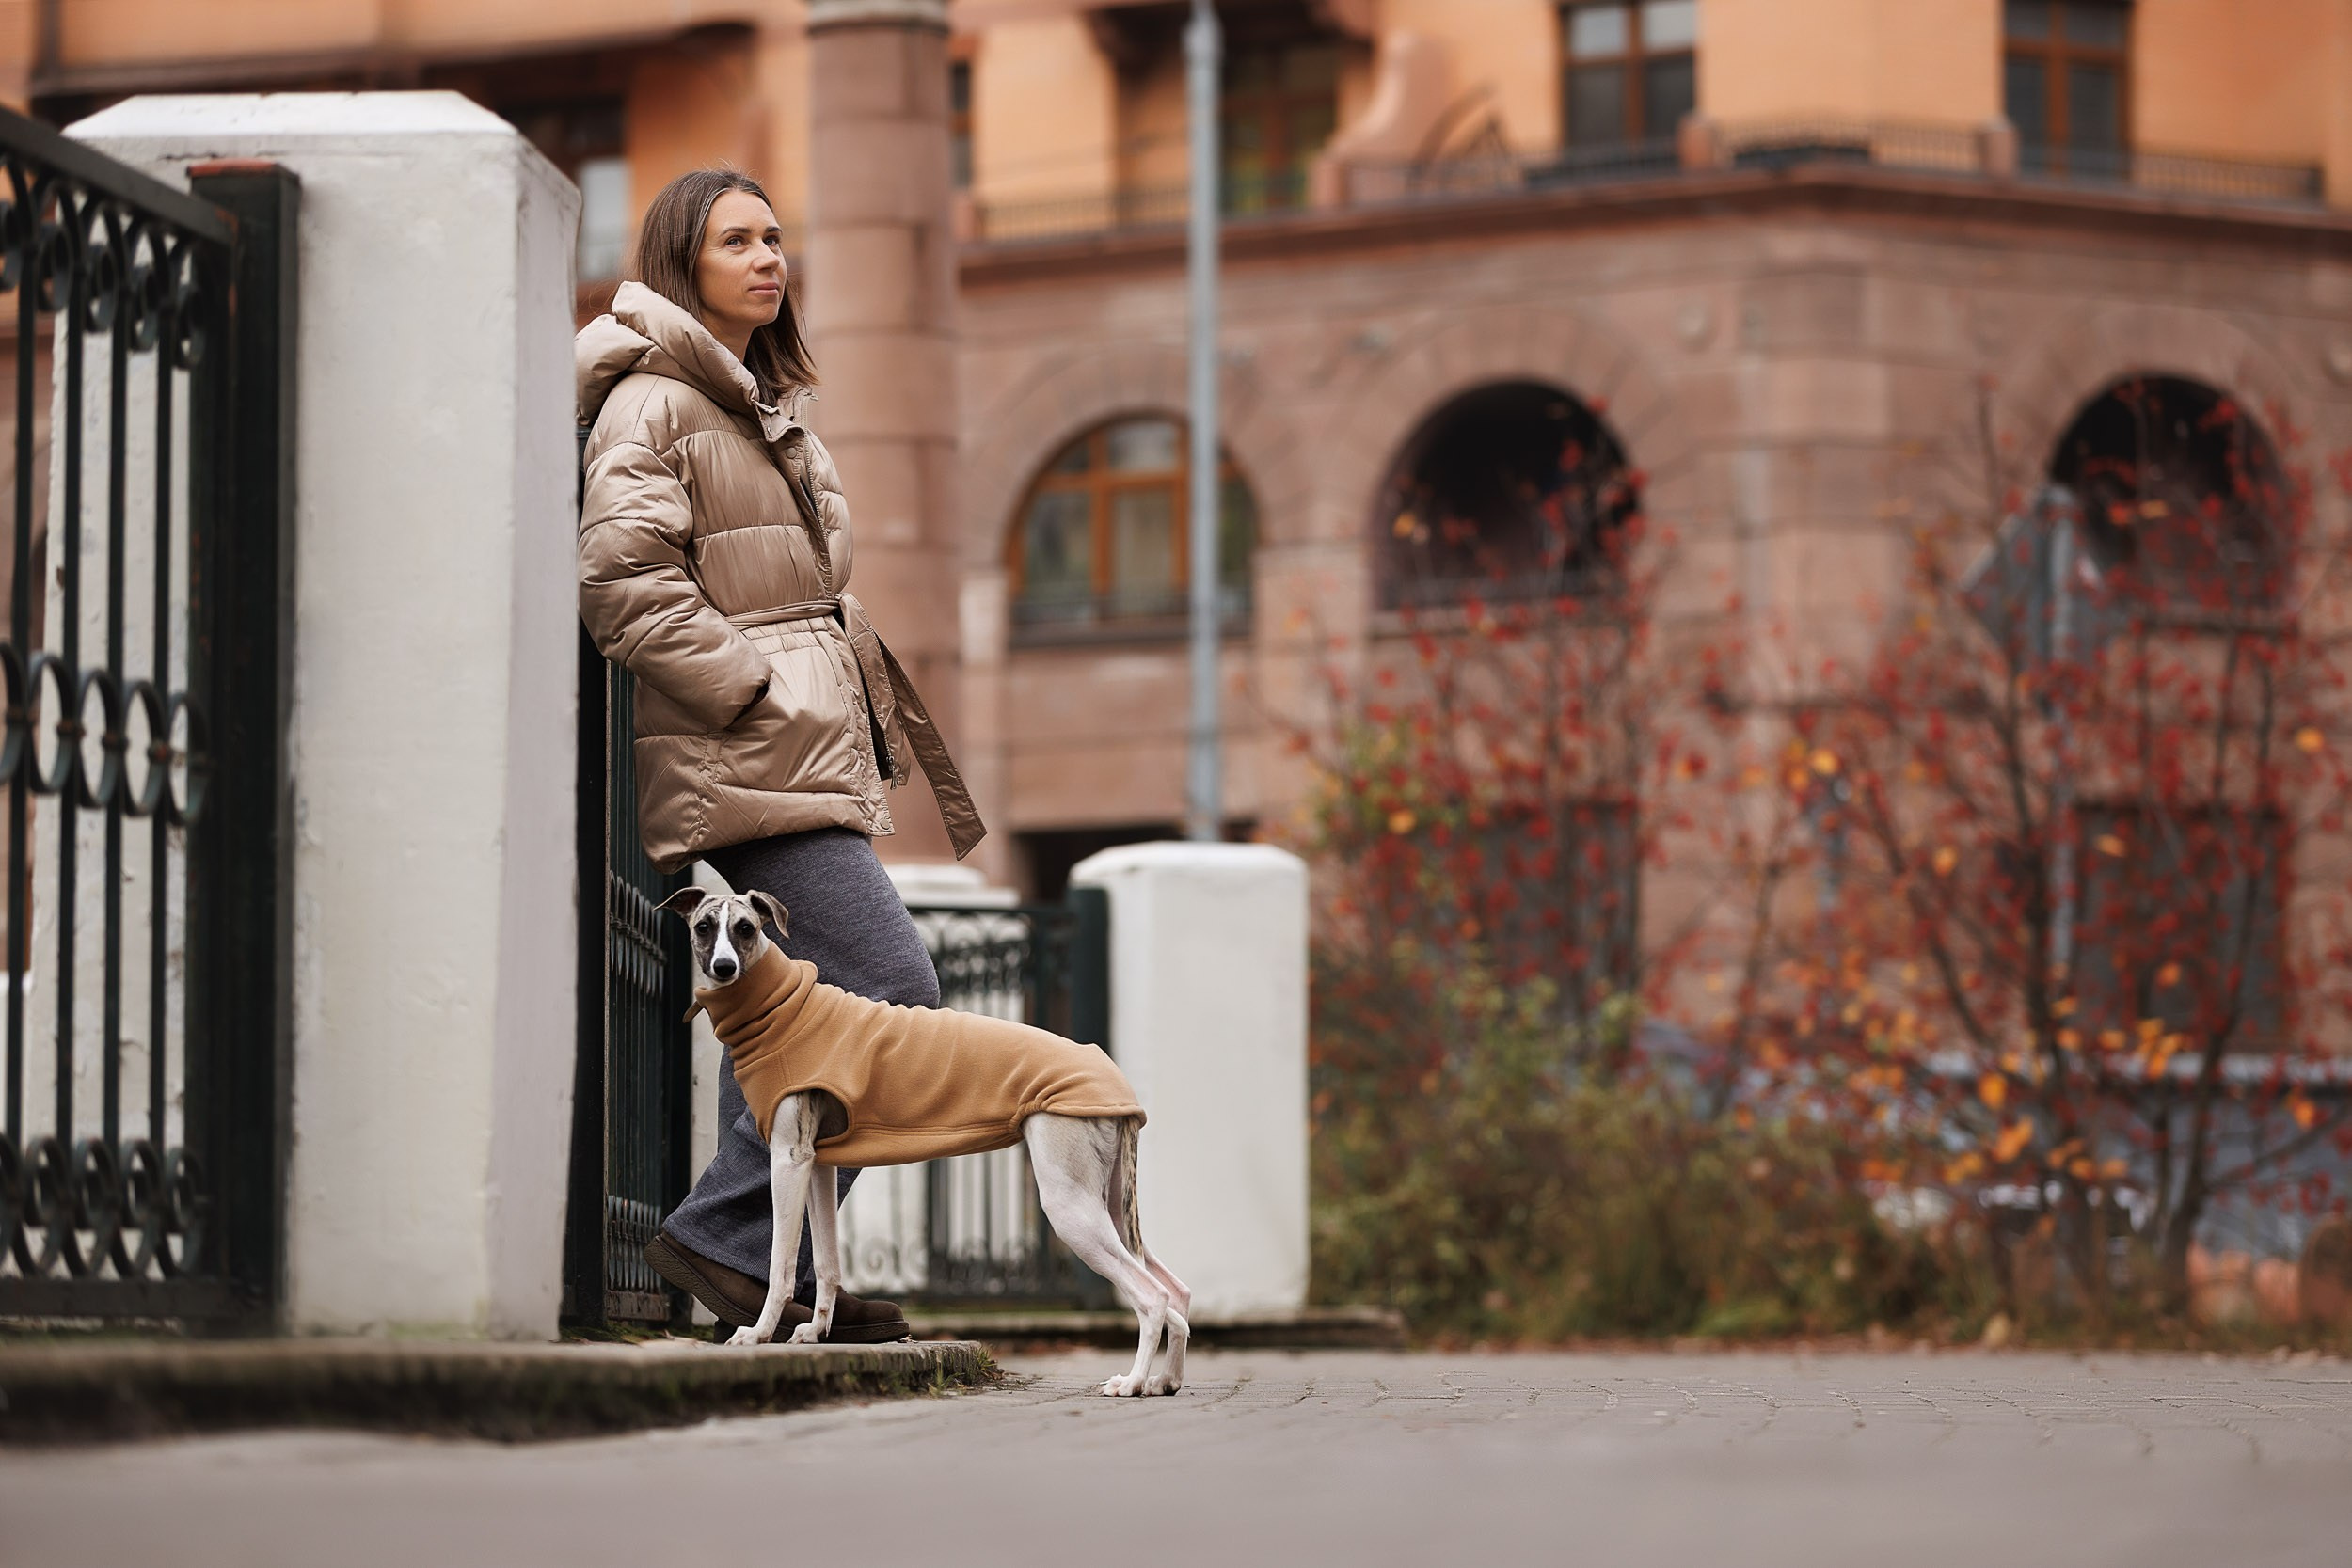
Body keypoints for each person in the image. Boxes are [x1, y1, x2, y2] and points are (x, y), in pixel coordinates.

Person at [576, 168, 984, 1340]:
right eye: (735, 240)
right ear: (679, 263)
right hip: (749, 759)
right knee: (886, 992)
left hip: (790, 753)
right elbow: (622, 581)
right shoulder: (653, 403)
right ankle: (729, 1242)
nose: (768, 257)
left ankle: (772, 1287)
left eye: (774, 236)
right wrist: (755, 696)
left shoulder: (748, 401)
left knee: (774, 1022)